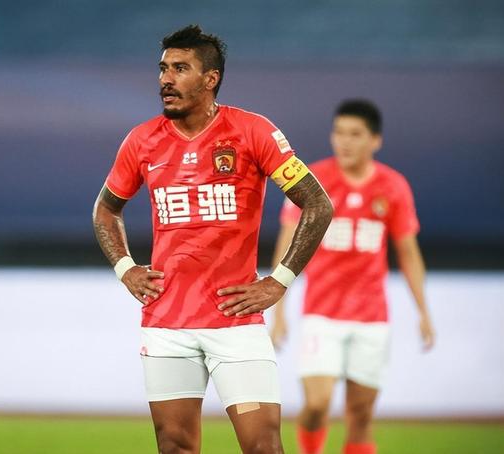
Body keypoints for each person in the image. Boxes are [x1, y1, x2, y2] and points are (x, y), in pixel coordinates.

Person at [92, 24, 333, 454]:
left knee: (263, 446)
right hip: (167, 323)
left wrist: (279, 281)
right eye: (163, 69)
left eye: (180, 68)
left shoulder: (253, 131)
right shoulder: (142, 141)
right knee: (175, 446)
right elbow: (105, 210)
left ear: (210, 79)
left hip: (235, 320)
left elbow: (317, 203)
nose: (166, 79)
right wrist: (126, 268)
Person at [269, 99, 436, 454]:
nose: (344, 141)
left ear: (375, 140)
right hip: (321, 313)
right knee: (317, 404)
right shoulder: (313, 181)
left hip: (371, 317)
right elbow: (286, 243)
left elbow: (408, 252)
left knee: (360, 417)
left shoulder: (393, 186)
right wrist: (279, 310)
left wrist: (423, 311)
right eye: (339, 132)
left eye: (355, 134)